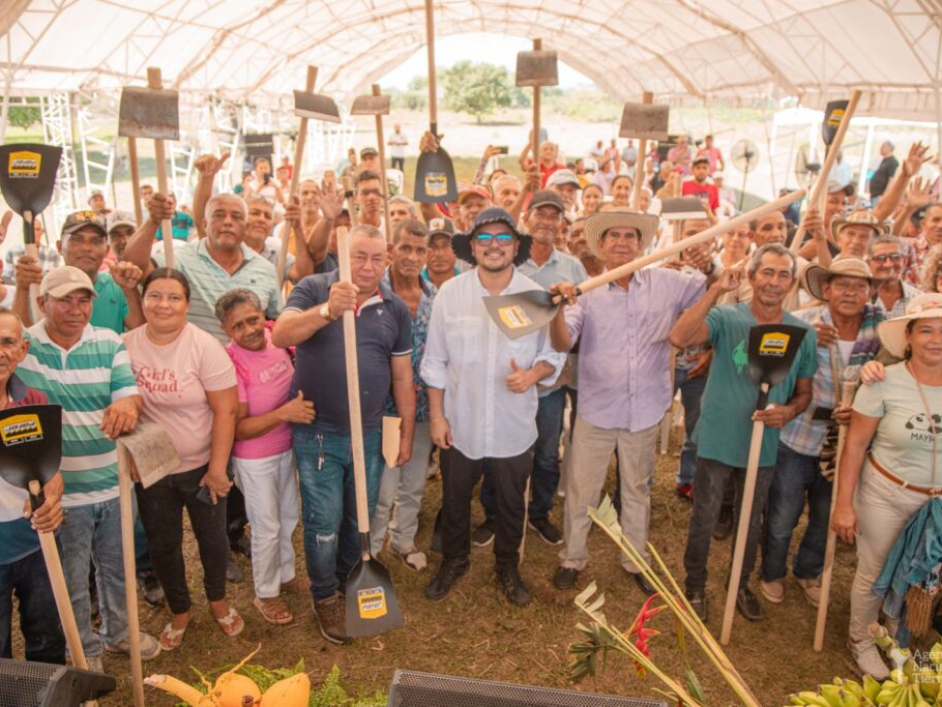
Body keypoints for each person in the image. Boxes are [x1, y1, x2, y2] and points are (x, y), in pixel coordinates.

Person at [272, 224, 415, 644]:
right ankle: (324, 596)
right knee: (323, 522)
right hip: (319, 434)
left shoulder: (395, 308)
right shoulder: (314, 287)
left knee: (360, 519)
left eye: (376, 258)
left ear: (386, 261)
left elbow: (403, 377)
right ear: (343, 256)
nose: (367, 266)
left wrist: (405, 434)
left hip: (369, 434)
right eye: (359, 256)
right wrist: (327, 312)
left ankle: (349, 582)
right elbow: (281, 334)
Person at [548, 210, 705, 592]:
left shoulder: (668, 282)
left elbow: (706, 290)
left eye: (629, 236)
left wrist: (706, 267)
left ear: (642, 243)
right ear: (600, 246)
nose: (621, 242)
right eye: (613, 236)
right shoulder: (586, 293)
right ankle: (573, 557)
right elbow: (561, 342)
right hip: (597, 410)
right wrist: (556, 309)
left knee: (636, 489)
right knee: (583, 490)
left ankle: (636, 561)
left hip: (646, 407)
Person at [16, 266, 159, 671]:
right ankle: (84, 651)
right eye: (64, 300)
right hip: (64, 494)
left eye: (84, 300)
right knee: (73, 581)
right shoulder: (25, 345)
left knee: (118, 570)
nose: (76, 309)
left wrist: (126, 406)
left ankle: (119, 634)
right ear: (42, 303)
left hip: (113, 486)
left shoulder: (109, 341)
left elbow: (129, 395)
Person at [421, 208, 564, 606]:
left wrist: (532, 375)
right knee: (454, 499)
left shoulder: (535, 297)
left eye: (503, 238)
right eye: (484, 239)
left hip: (512, 425)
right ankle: (454, 559)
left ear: (516, 246)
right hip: (459, 423)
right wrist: (437, 416)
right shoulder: (451, 293)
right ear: (472, 248)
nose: (494, 246)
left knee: (510, 500)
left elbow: (553, 355)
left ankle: (507, 565)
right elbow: (435, 361)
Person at [670, 243, 816, 622]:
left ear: (791, 282)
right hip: (717, 438)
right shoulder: (726, 317)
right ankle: (695, 585)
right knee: (704, 516)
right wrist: (716, 288)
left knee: (750, 521)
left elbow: (804, 393)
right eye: (766, 272)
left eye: (783, 274)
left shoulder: (801, 332)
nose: (773, 281)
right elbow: (681, 337)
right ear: (751, 277)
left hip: (763, 445)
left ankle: (739, 584)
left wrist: (789, 411)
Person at [123, 268, 242, 651]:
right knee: (163, 543)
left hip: (202, 464)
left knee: (212, 538)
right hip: (152, 467)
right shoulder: (125, 345)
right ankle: (180, 609)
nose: (164, 304)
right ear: (143, 301)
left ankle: (218, 601)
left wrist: (217, 469)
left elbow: (226, 411)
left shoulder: (203, 346)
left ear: (187, 305)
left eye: (174, 297)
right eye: (155, 295)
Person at [760, 258, 882, 610]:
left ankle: (809, 570)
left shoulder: (881, 333)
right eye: (842, 285)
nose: (850, 293)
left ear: (869, 292)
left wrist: (859, 409)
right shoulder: (801, 324)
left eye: (859, 286)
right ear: (825, 289)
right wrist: (804, 340)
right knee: (783, 513)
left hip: (846, 444)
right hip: (798, 437)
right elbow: (770, 360)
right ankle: (771, 572)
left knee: (826, 516)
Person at [831, 293, 942, 678]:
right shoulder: (882, 381)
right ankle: (861, 639)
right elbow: (856, 446)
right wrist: (844, 505)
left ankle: (898, 640)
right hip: (885, 494)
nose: (936, 339)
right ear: (908, 337)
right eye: (926, 330)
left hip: (936, 506)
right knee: (875, 572)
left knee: (919, 576)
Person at [475, 192, 587, 549]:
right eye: (541, 213)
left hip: (549, 383)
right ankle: (493, 515)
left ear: (562, 224)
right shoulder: (508, 261)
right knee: (499, 448)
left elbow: (581, 317)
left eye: (555, 216)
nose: (547, 222)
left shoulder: (572, 267)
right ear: (527, 216)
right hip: (506, 378)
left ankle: (538, 513)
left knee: (545, 450)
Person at [218, 288, 310, 626]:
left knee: (288, 516)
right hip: (255, 458)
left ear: (264, 315)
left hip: (288, 447)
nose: (250, 330)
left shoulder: (277, 338)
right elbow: (238, 428)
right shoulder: (229, 362)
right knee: (266, 525)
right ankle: (266, 593)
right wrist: (284, 413)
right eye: (238, 326)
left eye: (253, 319)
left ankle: (285, 574)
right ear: (227, 332)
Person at [124, 191, 281, 343]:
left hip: (248, 368)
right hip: (192, 366)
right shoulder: (179, 259)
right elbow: (133, 266)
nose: (228, 222)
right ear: (205, 224)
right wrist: (153, 220)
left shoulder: (266, 269)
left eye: (236, 217)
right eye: (219, 215)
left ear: (245, 227)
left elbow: (275, 324)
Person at [0, 309, 66, 666]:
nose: (0, 352)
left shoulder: (35, 402)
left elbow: (52, 473)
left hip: (35, 543)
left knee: (47, 639)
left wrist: (53, 498)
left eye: (7, 342)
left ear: (23, 349)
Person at [370, 219, 437, 570]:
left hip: (425, 407)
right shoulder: (373, 293)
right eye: (405, 248)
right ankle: (374, 547)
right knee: (384, 487)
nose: (412, 256)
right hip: (385, 406)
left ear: (427, 254)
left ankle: (403, 539)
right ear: (392, 250)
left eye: (419, 249)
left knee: (413, 482)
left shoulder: (434, 297)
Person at [13, 210, 144, 333]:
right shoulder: (41, 286)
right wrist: (22, 290)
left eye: (96, 241)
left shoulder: (118, 287)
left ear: (106, 249)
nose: (86, 247)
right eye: (76, 239)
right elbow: (16, 336)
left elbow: (140, 332)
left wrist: (131, 291)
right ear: (59, 246)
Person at [1, 213, 60, 286]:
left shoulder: (52, 254)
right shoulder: (12, 252)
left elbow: (54, 280)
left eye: (37, 230)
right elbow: (7, 279)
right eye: (30, 230)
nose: (33, 233)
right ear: (24, 232)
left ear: (42, 232)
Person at [869, 235, 921, 317]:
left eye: (895, 257)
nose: (888, 264)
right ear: (868, 263)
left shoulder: (919, 300)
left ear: (904, 262)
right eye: (880, 258)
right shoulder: (858, 299)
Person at [422, 219, 460, 289]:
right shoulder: (413, 284)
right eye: (432, 246)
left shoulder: (469, 284)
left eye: (446, 245)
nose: (439, 254)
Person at [869, 141, 899, 207]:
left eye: (882, 147)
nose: (880, 148)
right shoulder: (884, 161)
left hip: (880, 195)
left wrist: (884, 196)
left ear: (888, 148)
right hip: (874, 194)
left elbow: (891, 180)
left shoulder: (892, 162)